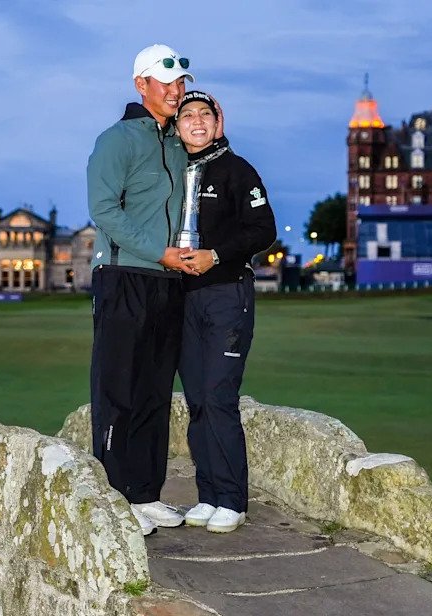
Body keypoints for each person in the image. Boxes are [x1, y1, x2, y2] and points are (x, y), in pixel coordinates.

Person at [86, 44, 200, 536]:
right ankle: (114, 500)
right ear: (142, 85)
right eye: (166, 83)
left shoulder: (177, 143)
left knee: (155, 390)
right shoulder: (116, 140)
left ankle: (145, 494)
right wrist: (160, 252)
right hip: (124, 277)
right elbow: (105, 211)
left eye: (180, 84)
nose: (176, 91)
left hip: (169, 281)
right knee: (119, 390)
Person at [173, 91, 277, 533]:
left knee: (219, 396)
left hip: (226, 294)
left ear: (218, 121)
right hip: (181, 299)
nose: (196, 121)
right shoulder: (173, 172)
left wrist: (216, 255)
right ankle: (209, 494)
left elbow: (264, 229)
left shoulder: (238, 170)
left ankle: (232, 499)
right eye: (187, 115)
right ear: (177, 126)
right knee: (196, 400)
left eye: (204, 114)